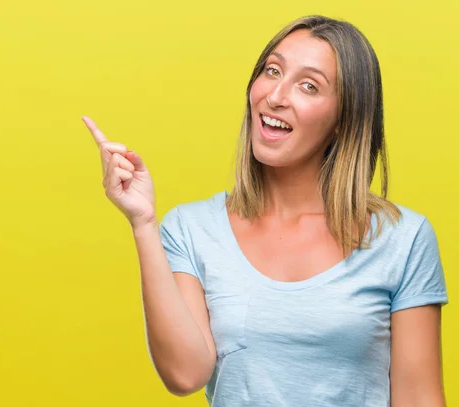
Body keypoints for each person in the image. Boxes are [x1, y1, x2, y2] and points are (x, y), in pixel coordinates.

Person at [82, 15, 449, 407]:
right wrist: (143, 222)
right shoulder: (191, 229)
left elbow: (419, 397)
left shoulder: (403, 239)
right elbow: (185, 374)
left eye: (309, 86)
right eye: (272, 70)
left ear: (344, 119)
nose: (276, 96)